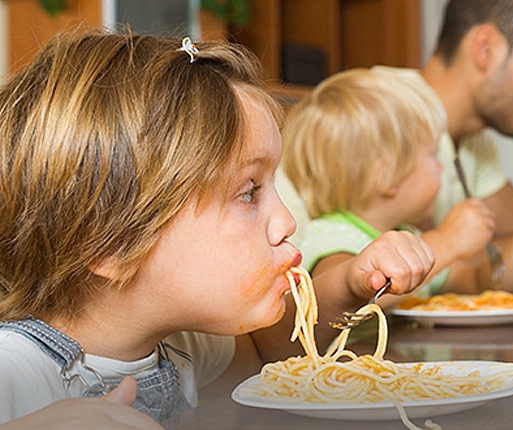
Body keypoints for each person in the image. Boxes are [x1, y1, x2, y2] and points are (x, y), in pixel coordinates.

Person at [0, 31, 435, 426]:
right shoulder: (14, 371)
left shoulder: (181, 343)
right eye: (248, 192)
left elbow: (270, 353)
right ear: (110, 242)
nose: (286, 222)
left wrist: (351, 284)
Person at [281, 68, 513, 297]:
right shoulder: (332, 238)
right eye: (431, 156)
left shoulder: (411, 236)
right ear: (386, 176)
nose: (442, 167)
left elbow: (475, 281)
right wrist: (448, 241)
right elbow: (355, 293)